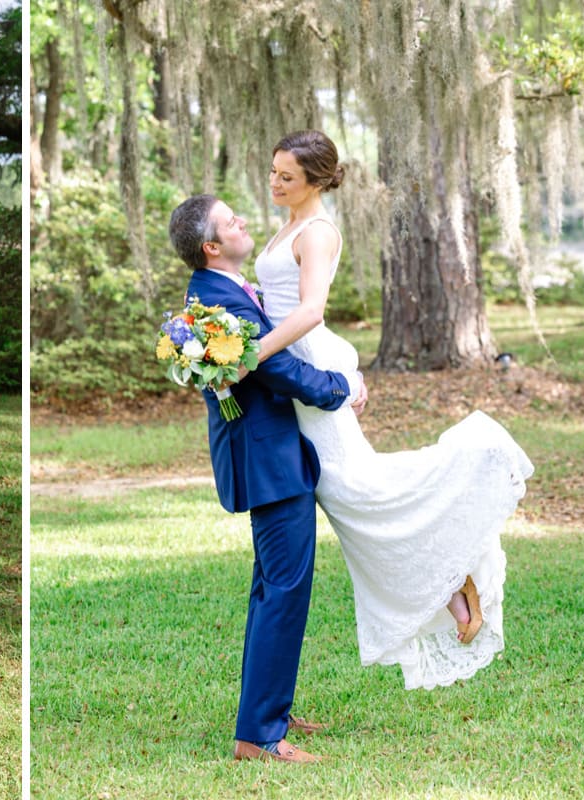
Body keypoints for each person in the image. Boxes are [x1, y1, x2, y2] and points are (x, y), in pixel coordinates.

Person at [251, 129, 533, 689]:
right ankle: (453, 588)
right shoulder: (287, 225)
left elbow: (309, 311)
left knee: (355, 491)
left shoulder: (319, 232)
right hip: (289, 368)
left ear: (317, 181)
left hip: (305, 364)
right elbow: (276, 300)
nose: (276, 182)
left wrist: (251, 354)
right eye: (274, 171)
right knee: (351, 495)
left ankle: (458, 572)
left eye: (288, 176)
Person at [169, 194, 368, 764]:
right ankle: (259, 736)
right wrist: (341, 387)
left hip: (265, 451)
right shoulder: (215, 300)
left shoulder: (219, 291)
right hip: (268, 457)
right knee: (283, 592)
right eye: (231, 222)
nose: (244, 222)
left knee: (270, 591)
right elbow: (274, 365)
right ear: (212, 246)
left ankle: (267, 710)